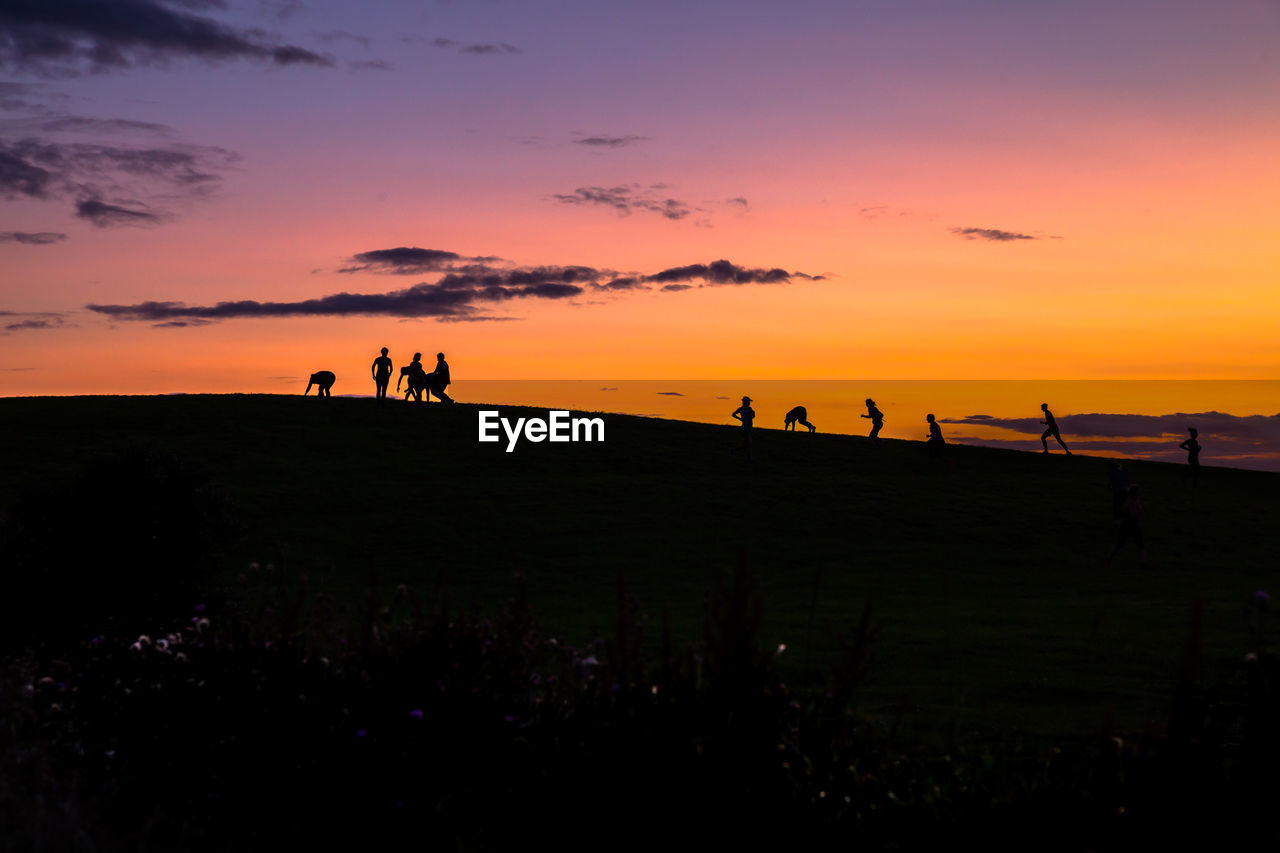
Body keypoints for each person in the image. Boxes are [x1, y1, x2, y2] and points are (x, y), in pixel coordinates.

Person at [1106, 484, 1146, 565]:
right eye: (1137, 492)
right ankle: (1108, 558)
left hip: (1130, 526)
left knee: (1139, 544)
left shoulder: (1134, 501)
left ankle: (1108, 558)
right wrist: (1139, 511)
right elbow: (1132, 515)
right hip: (1129, 526)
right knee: (1121, 544)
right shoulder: (1130, 502)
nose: (1138, 494)